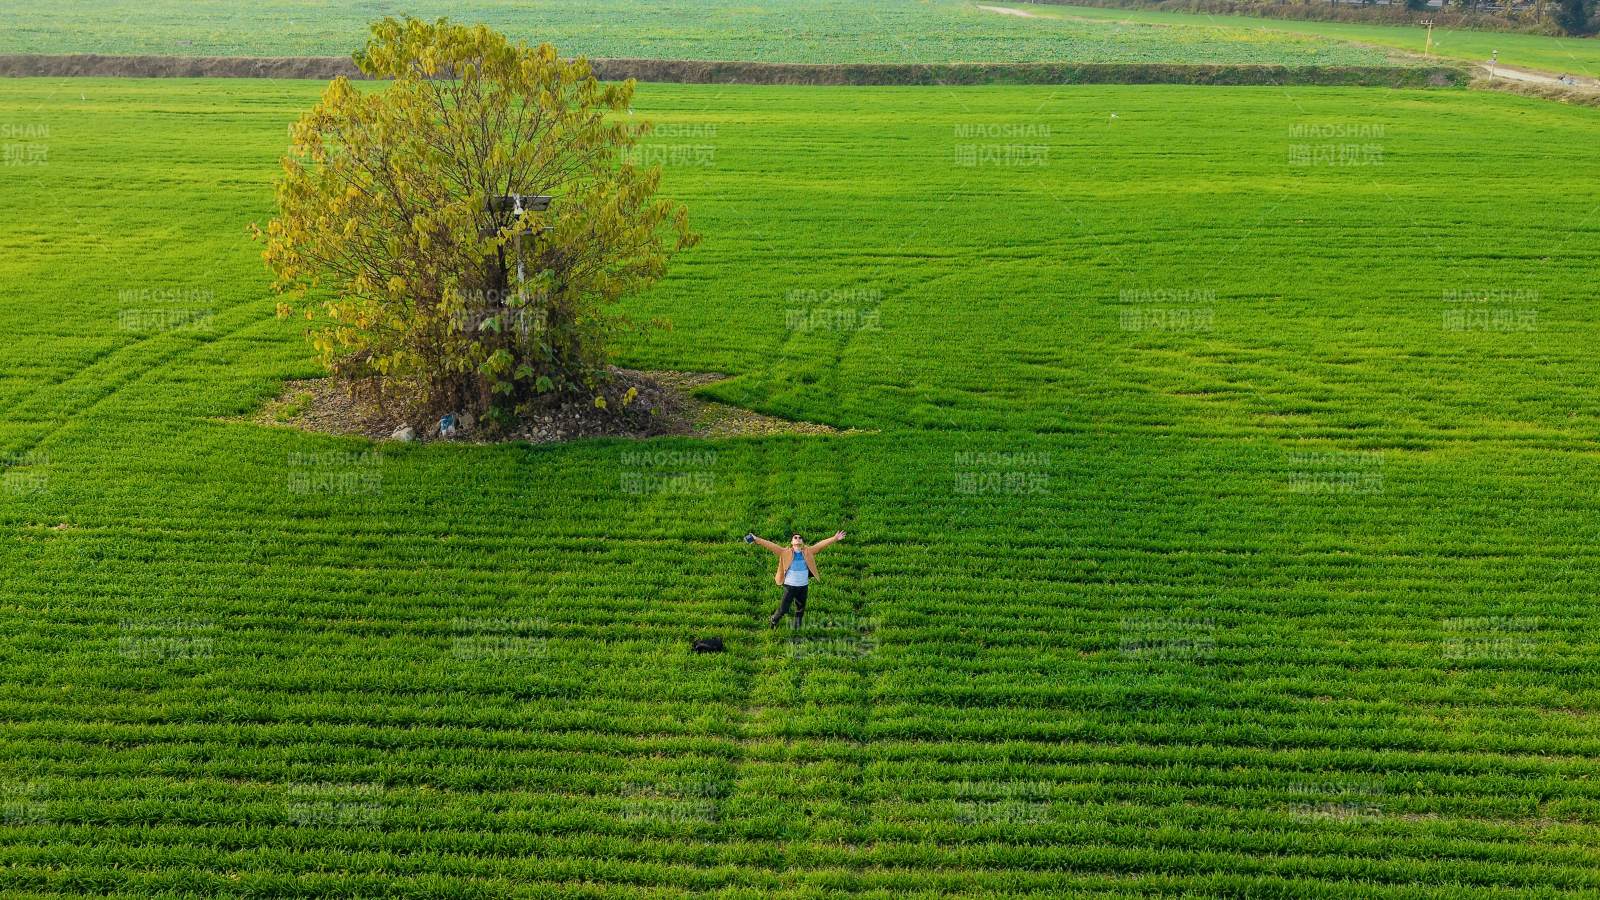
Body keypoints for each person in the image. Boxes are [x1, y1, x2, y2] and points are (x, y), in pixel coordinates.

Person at [746, 530, 846, 628]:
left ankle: (797, 625)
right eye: (795, 537)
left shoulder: (808, 551)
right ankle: (774, 620)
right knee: (784, 608)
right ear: (792, 542)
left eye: (800, 538)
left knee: (800, 608)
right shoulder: (784, 552)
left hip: (803, 586)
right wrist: (756, 539)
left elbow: (820, 545)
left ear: (802, 542)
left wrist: (835, 538)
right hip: (790, 586)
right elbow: (770, 545)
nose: (798, 539)